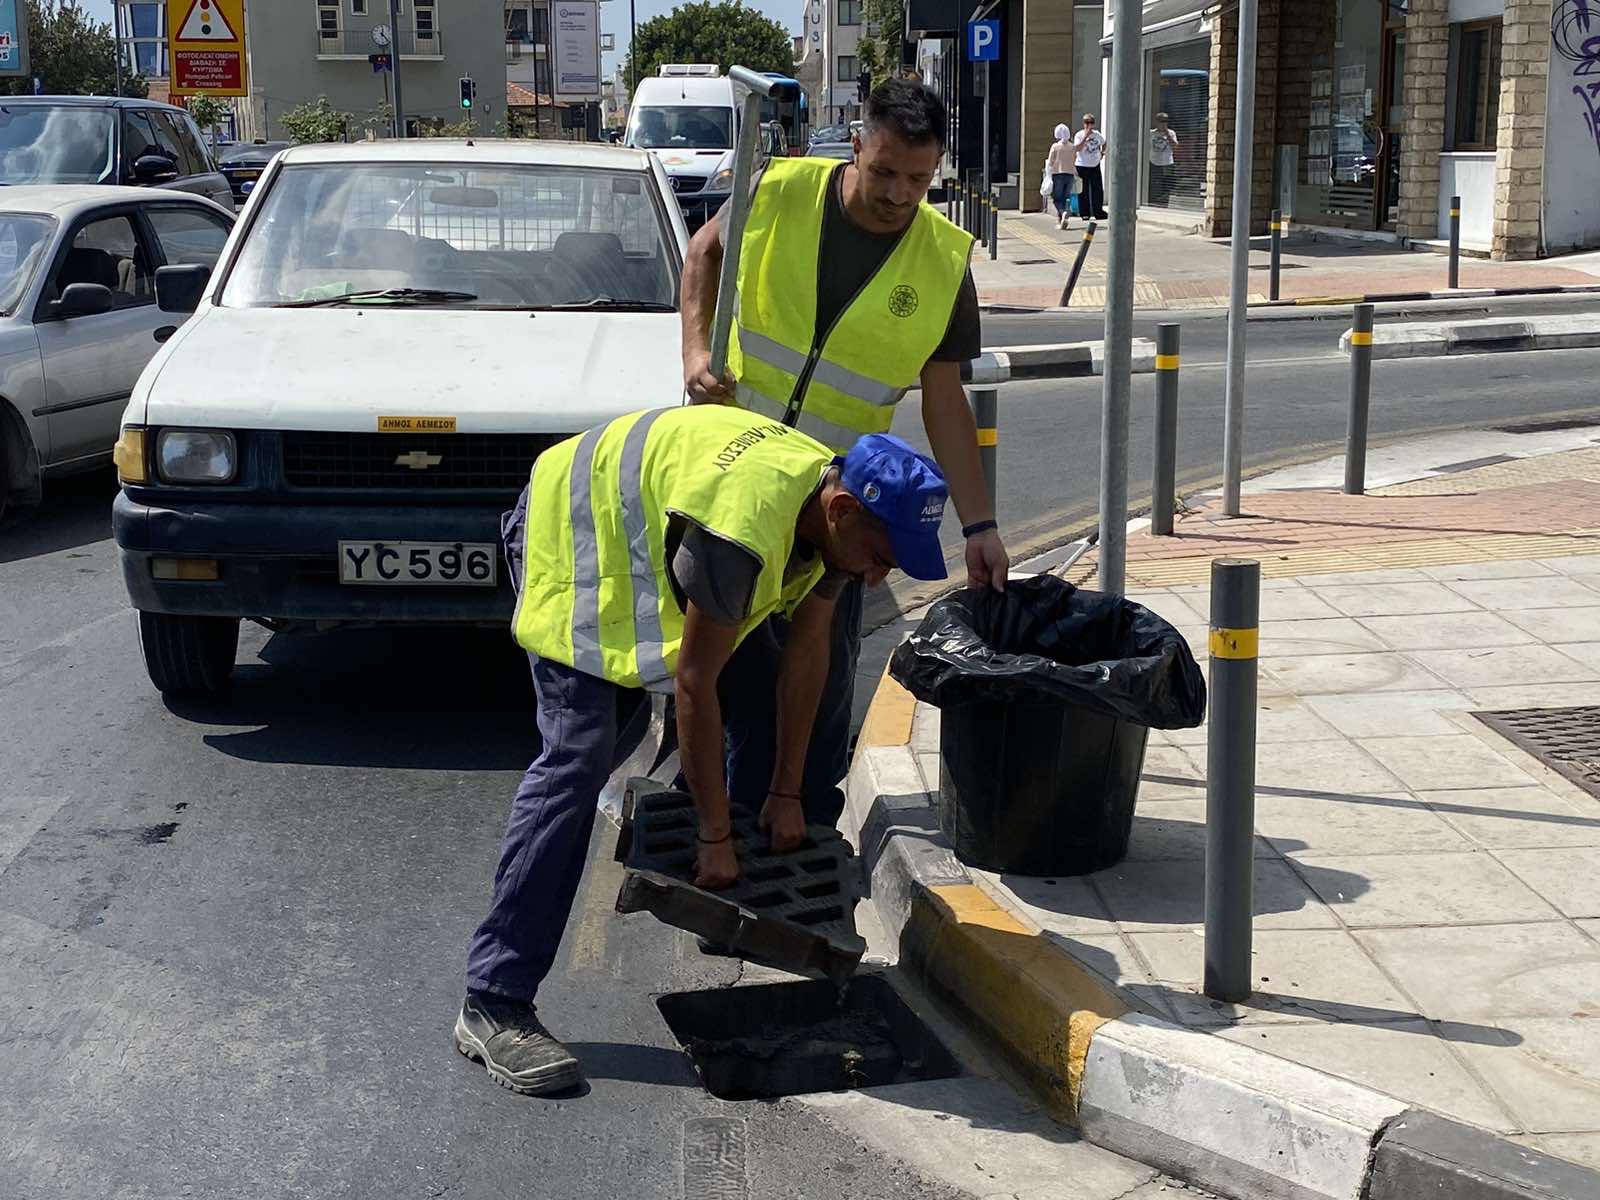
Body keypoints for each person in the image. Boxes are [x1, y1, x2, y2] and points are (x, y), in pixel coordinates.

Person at [457, 406, 953, 1096]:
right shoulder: (743, 530)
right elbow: (694, 684)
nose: (878, 578)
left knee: (759, 678)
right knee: (580, 754)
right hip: (574, 530)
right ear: (841, 511)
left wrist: (785, 792)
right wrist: (716, 833)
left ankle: (721, 890)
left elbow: (807, 653)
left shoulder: (829, 513)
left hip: (650, 530)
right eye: (879, 558)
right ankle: (494, 999)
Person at [679, 78, 1009, 831]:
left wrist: (979, 524)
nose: (899, 194)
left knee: (817, 689)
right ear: (855, 144)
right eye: (885, 170)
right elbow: (704, 253)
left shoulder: (943, 260)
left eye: (919, 180)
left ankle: (799, 829)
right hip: (733, 480)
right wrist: (696, 350)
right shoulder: (779, 189)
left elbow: (944, 398)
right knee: (720, 673)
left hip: (838, 510)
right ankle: (719, 834)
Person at [1073, 113, 1109, 221]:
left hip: (1094, 165)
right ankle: (1085, 213)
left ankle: (1098, 211)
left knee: (1097, 189)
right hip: (1082, 165)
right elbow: (1077, 148)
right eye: (1087, 123)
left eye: (1091, 123)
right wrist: (1085, 137)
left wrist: (1102, 153)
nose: (1089, 125)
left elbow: (1104, 142)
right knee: (1083, 190)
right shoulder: (1079, 135)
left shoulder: (1097, 134)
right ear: (1083, 123)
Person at [1047, 121, 1077, 229]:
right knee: (1065, 197)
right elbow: (1075, 160)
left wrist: (1048, 175)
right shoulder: (1073, 147)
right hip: (1070, 175)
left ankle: (1062, 212)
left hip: (1058, 174)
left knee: (1056, 198)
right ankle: (1061, 220)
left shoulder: (1055, 146)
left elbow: (1050, 162)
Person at [1149, 112, 1179, 207]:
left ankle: (1165, 204)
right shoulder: (1151, 133)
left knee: (1167, 185)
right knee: (1156, 185)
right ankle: (1155, 203)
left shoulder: (1171, 133)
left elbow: (1175, 146)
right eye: (1161, 121)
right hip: (1154, 162)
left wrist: (1167, 133)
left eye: (1165, 121)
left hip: (1167, 163)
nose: (1163, 123)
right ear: (1157, 122)